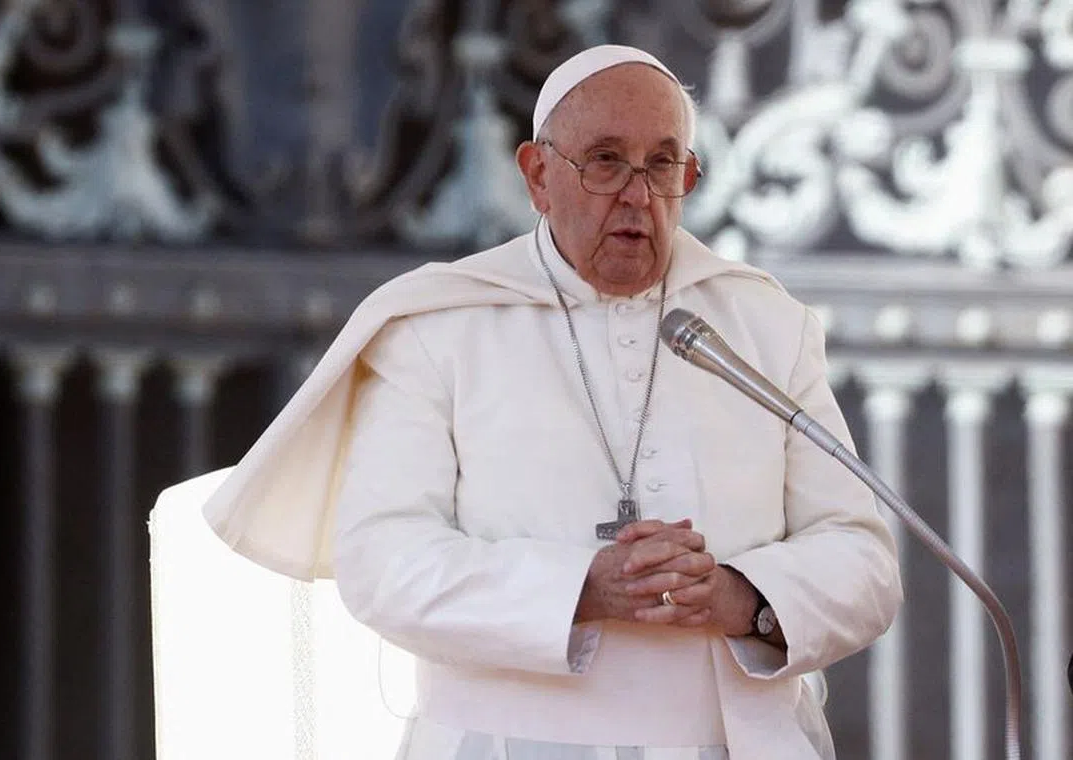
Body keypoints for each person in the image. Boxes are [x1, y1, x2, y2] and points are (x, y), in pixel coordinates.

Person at [193, 45, 902, 759]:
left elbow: (863, 560)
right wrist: (582, 588)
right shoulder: (441, 326)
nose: (638, 196)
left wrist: (739, 596)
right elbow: (384, 562)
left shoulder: (763, 324)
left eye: (662, 164)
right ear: (538, 175)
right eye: (605, 161)